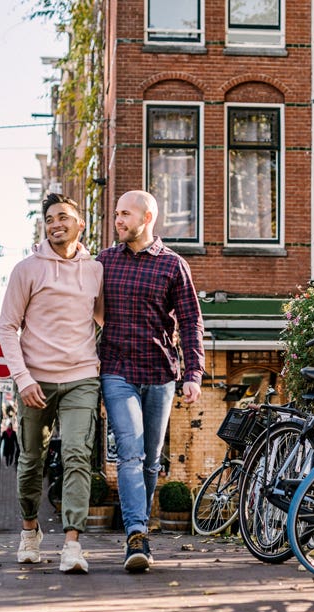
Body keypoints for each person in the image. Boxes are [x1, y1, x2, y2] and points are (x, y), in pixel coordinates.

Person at [99, 190, 204, 573]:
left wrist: (192, 373)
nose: (118, 220)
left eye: (125, 214)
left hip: (160, 374)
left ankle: (139, 534)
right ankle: (137, 533)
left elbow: (191, 322)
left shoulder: (173, 266)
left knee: (150, 460)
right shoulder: (104, 261)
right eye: (116, 214)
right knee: (130, 452)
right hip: (116, 370)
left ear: (147, 218)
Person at [0, 193, 103, 573]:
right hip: (35, 381)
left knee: (77, 455)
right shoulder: (27, 269)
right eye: (49, 218)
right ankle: (30, 531)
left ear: (81, 224)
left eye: (63, 216)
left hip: (81, 378)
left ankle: (72, 544)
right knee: (31, 461)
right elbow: (7, 328)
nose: (55, 223)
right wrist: (23, 379)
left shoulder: (95, 270)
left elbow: (105, 319)